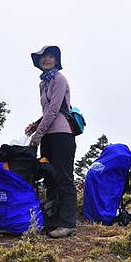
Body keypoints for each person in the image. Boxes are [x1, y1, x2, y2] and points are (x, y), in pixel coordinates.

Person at [25, 45, 77, 238]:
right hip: (47, 134)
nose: (46, 60)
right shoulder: (43, 84)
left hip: (62, 135)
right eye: (43, 57)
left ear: (56, 60)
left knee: (64, 177)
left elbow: (55, 110)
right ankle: (53, 221)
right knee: (50, 178)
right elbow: (47, 113)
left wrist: (37, 135)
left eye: (50, 56)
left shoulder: (59, 79)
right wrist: (35, 125)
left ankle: (68, 223)